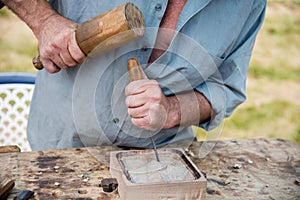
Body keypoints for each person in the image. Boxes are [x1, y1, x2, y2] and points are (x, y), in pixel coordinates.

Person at [1, 0, 266, 150]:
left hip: (163, 160)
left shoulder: (247, 5)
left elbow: (225, 89)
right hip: (59, 150)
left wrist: (171, 110)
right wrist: (44, 21)